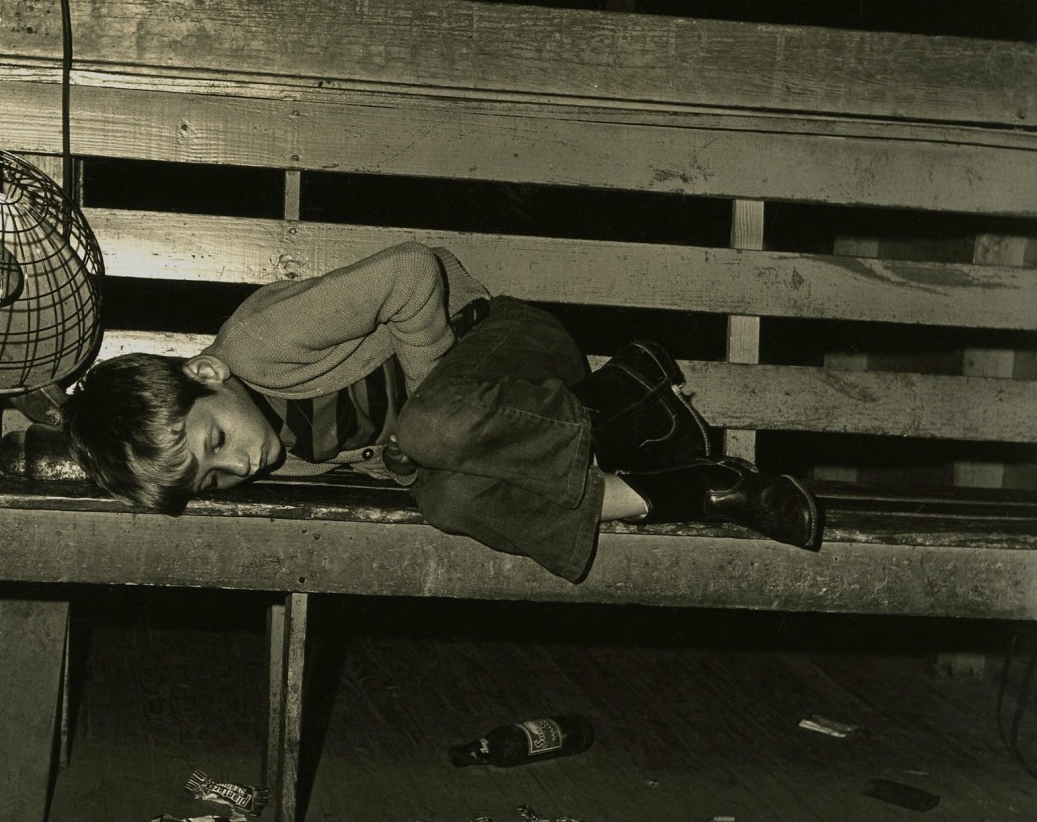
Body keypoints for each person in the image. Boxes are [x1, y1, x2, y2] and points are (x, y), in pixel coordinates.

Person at [62, 242, 822, 583]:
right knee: (445, 497)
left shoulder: (261, 341)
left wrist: (422, 409)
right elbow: (397, 455)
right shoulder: (261, 443)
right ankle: (704, 487)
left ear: (207, 373)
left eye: (217, 440)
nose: (241, 466)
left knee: (430, 429)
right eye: (213, 481)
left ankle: (627, 411)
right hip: (505, 427)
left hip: (512, 344)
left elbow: (409, 269)